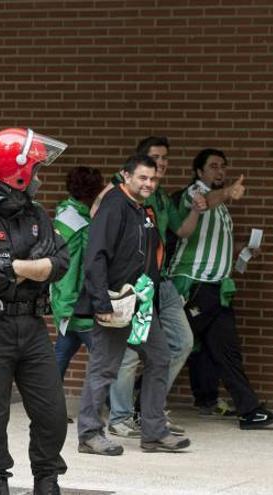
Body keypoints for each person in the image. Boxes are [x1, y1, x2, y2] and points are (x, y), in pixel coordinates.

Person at [0, 128, 70, 495]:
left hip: (33, 326)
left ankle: (47, 479)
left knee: (52, 412)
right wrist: (34, 266)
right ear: (16, 174)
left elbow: (61, 261)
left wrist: (15, 268)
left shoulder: (36, 213)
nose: (39, 177)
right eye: (35, 170)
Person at [75, 154, 191, 455]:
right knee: (104, 368)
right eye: (142, 177)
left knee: (160, 356)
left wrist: (149, 297)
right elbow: (95, 255)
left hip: (139, 305)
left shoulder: (143, 210)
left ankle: (153, 433)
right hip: (113, 304)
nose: (149, 183)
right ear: (125, 176)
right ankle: (89, 434)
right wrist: (101, 302)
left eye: (153, 179)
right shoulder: (114, 205)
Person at [168, 148, 273, 430]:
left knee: (228, 352)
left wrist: (241, 252)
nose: (220, 171)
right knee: (174, 349)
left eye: (223, 167)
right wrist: (228, 192)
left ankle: (250, 410)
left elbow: (214, 246)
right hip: (194, 283)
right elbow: (204, 202)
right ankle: (134, 406)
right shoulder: (193, 194)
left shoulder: (222, 208)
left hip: (216, 287)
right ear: (199, 172)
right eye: (213, 166)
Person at [104, 137, 206, 439]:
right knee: (129, 354)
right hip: (131, 284)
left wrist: (197, 210)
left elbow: (182, 230)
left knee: (182, 342)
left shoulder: (159, 195)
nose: (161, 164)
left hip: (160, 282)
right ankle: (120, 417)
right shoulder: (120, 190)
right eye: (155, 158)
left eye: (164, 159)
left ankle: (148, 409)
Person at [51, 166, 104, 381]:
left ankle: (47, 404)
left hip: (69, 302)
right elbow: (73, 267)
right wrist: (70, 304)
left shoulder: (67, 214)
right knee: (104, 360)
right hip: (79, 304)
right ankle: (118, 410)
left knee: (62, 353)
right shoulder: (78, 222)